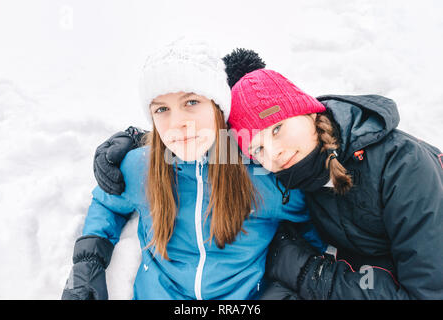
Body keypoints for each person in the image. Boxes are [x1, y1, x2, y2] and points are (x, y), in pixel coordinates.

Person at [93, 49, 443, 299]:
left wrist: (301, 269)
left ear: (307, 111)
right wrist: (133, 140)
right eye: (256, 148)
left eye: (276, 130)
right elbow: (195, 130)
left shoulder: (401, 167)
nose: (273, 154)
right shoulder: (286, 171)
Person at [61, 40, 325, 300]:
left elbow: (310, 225)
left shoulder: (259, 173)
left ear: (217, 107)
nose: (178, 123)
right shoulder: (140, 166)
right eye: (162, 109)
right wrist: (87, 266)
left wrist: (288, 288)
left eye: (191, 103)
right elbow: (106, 201)